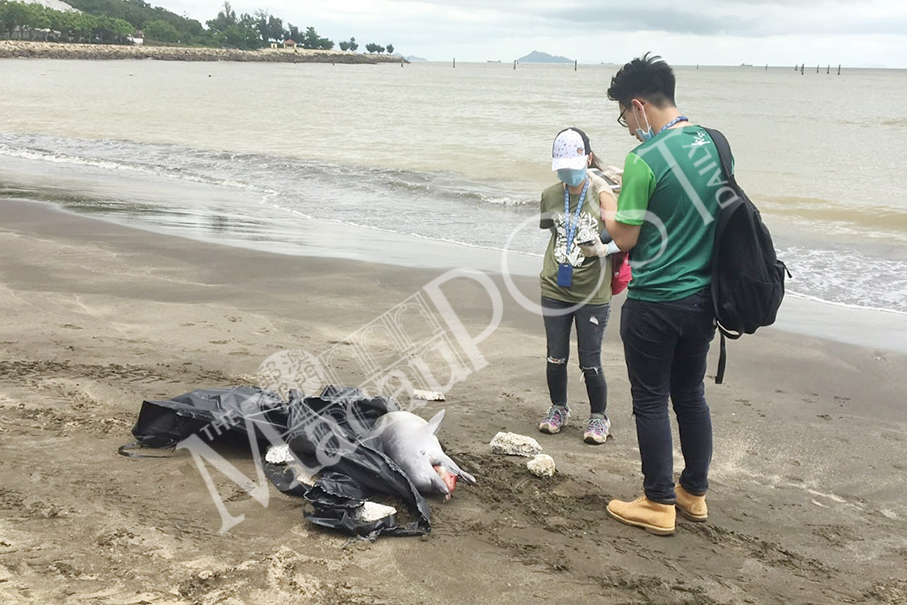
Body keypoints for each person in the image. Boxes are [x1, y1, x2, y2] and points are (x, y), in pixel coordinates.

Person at [600, 53, 724, 535]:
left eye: (625, 117)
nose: (629, 128)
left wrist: (610, 198)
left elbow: (625, 238)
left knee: (650, 399)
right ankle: (694, 494)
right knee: (690, 395)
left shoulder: (643, 159)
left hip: (655, 300)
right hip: (704, 298)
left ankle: (657, 502)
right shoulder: (712, 144)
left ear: (638, 106)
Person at [537, 127, 622, 445]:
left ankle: (599, 416)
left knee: (590, 359)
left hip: (592, 292)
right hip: (555, 286)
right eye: (562, 169)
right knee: (555, 356)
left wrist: (603, 249)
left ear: (586, 159)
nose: (568, 175)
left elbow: (622, 237)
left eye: (573, 167)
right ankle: (558, 408)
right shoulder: (550, 195)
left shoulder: (602, 192)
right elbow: (552, 230)